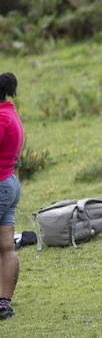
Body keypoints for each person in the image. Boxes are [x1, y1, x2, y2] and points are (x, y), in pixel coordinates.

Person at [0, 73, 24, 320]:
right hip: (9, 182)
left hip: (1, 184)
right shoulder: (10, 114)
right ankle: (4, 304)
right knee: (6, 246)